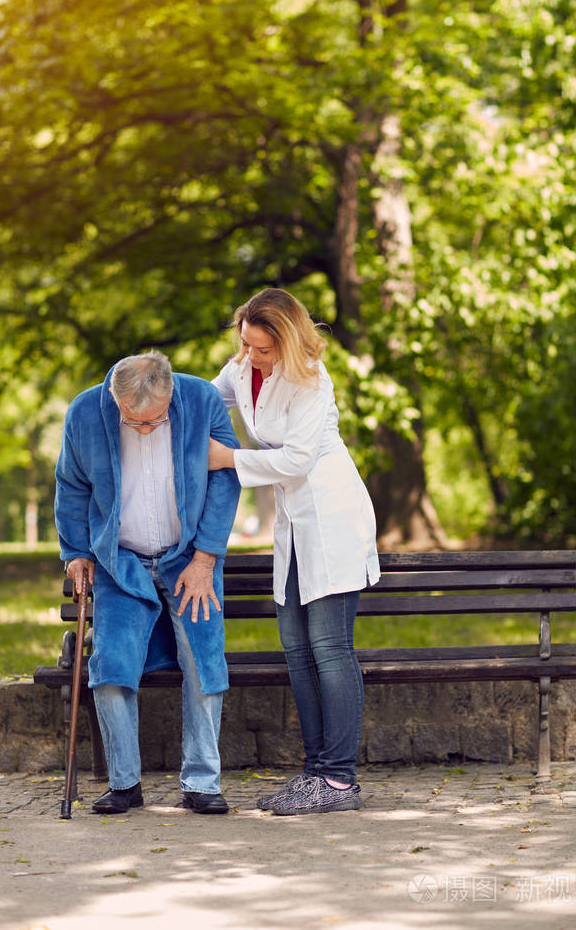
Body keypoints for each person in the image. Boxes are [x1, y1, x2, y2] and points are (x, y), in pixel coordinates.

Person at [209, 288, 380, 815]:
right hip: (293, 525)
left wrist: (227, 458)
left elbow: (299, 460)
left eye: (263, 349)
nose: (251, 357)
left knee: (330, 649)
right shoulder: (242, 367)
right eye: (246, 345)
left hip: (332, 518)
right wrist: (148, 394)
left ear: (285, 340)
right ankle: (315, 773)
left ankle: (339, 781)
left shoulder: (311, 377)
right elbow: (201, 397)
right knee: (297, 651)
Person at [55, 350, 240, 816]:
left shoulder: (200, 400)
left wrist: (205, 557)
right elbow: (71, 485)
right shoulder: (85, 411)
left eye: (152, 422)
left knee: (202, 659)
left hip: (190, 560)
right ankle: (124, 783)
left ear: (170, 395)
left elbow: (225, 480)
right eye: (131, 420)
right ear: (114, 398)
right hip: (121, 562)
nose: (140, 428)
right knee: (110, 664)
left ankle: (201, 782)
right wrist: (76, 552)